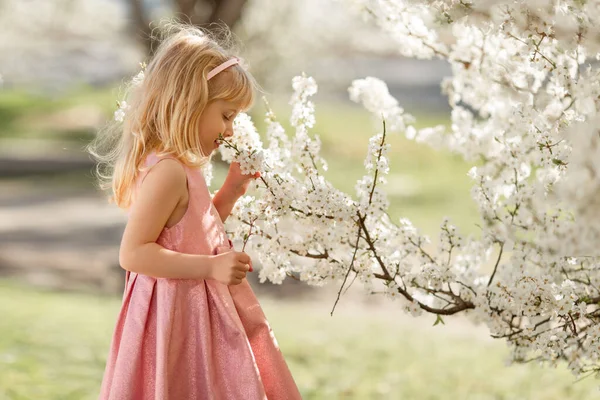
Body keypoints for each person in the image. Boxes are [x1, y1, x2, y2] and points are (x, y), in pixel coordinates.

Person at [88, 23, 302, 400]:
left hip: (196, 314)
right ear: (189, 104)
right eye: (226, 115)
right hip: (173, 319)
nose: (231, 131)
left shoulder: (185, 169)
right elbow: (134, 253)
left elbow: (191, 233)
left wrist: (230, 194)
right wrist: (211, 268)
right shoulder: (168, 172)